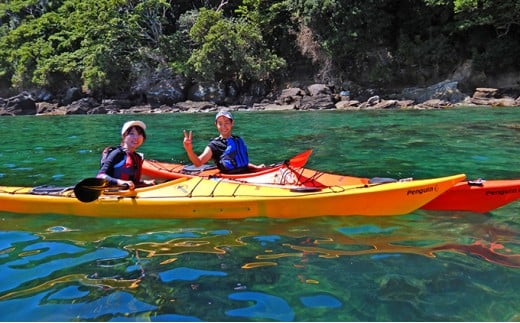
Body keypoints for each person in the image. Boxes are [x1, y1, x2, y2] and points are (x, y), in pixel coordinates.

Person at [183, 110, 263, 174]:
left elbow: (241, 163)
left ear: (232, 123)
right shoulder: (214, 145)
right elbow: (198, 163)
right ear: (216, 125)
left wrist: (256, 167)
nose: (223, 126)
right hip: (231, 180)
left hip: (247, 174)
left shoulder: (238, 140)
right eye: (220, 123)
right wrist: (189, 150)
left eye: (226, 123)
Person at [97, 120, 155, 189]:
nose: (136, 137)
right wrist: (119, 182)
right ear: (124, 136)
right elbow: (100, 176)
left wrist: (144, 182)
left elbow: (132, 182)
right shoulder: (117, 154)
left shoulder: (138, 157)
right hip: (114, 194)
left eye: (139, 134)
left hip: (129, 193)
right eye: (131, 133)